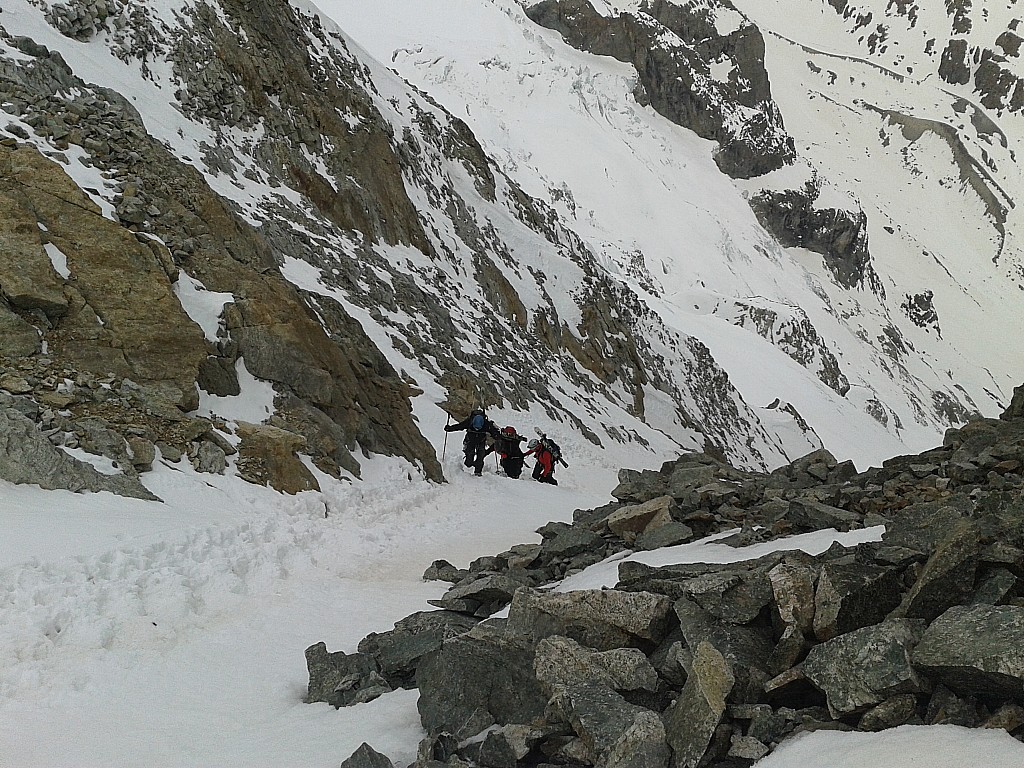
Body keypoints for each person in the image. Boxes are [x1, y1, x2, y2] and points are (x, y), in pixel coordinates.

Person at [444, 408, 498, 476]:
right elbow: (460, 426)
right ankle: (470, 464)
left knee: (480, 457)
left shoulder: (486, 423)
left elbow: (493, 431)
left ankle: (478, 472)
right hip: (471, 440)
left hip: (479, 441)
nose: (477, 429)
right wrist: (450, 428)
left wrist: (496, 435)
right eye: (476, 428)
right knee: (469, 460)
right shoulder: (470, 421)